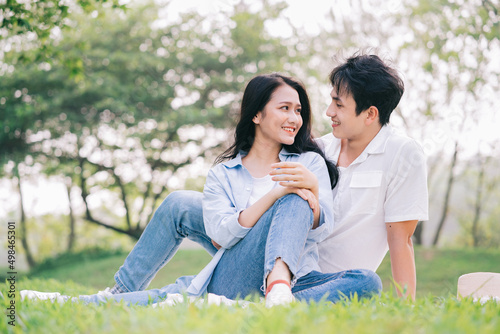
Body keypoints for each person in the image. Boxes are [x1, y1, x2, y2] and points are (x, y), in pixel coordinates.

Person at [21, 73, 381, 306]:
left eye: (299, 110)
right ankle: (120, 292)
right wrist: (274, 194)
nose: (294, 118)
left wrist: (314, 192)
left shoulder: (309, 161)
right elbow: (223, 234)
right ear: (256, 114)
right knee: (278, 192)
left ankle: (265, 299)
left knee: (367, 281)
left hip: (299, 278)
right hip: (237, 269)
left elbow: (324, 226)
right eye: (284, 108)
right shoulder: (223, 173)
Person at [105, 53, 427, 301]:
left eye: (339, 104)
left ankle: (260, 297)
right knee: (180, 203)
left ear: (370, 114)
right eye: (330, 101)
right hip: (266, 245)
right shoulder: (321, 149)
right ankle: (121, 291)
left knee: (359, 274)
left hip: (316, 273)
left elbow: (401, 239)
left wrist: (405, 309)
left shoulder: (402, 154)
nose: (328, 112)